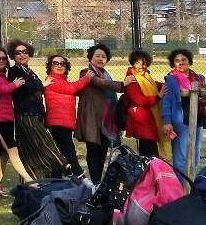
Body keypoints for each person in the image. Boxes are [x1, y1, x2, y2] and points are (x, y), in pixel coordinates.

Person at [6, 39, 69, 180]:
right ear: (13, 55)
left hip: (37, 114)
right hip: (25, 115)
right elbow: (25, 88)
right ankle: (65, 165)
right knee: (44, 142)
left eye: (25, 52)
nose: (22, 55)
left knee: (31, 151)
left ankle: (35, 181)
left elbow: (31, 87)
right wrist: (41, 84)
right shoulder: (14, 71)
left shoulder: (29, 71)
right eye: (18, 53)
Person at [0, 47, 34, 192]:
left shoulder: (1, 75)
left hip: (6, 118)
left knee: (4, 154)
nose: (0, 61)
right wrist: (14, 85)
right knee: (13, 150)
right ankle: (30, 182)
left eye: (3, 58)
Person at [161, 48, 206, 177]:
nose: (180, 63)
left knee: (195, 156)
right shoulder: (171, 80)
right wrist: (167, 121)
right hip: (181, 121)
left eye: (183, 59)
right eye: (177, 61)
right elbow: (167, 102)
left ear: (189, 61)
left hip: (198, 120)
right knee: (181, 158)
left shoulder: (199, 79)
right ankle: (181, 190)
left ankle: (190, 186)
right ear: (172, 63)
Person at [75, 43, 125, 184]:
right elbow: (99, 83)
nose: (100, 58)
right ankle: (95, 183)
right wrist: (123, 85)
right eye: (97, 56)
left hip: (107, 120)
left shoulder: (107, 74)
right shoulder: (86, 73)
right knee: (92, 150)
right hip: (92, 118)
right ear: (91, 57)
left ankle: (99, 182)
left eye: (103, 56)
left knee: (103, 150)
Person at [42, 52, 91, 178]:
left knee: (62, 151)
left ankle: (55, 179)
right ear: (50, 66)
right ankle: (81, 177)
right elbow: (72, 88)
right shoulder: (52, 80)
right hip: (58, 122)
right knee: (69, 151)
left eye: (62, 63)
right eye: (55, 63)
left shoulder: (61, 80)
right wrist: (87, 78)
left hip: (64, 122)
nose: (59, 65)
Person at [121, 49, 166, 158]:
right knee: (150, 153)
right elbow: (138, 99)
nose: (140, 66)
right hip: (140, 121)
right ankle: (151, 173)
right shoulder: (131, 78)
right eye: (137, 63)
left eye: (143, 63)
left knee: (146, 152)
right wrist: (157, 97)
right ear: (132, 63)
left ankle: (146, 173)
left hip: (148, 120)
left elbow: (157, 85)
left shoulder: (146, 77)